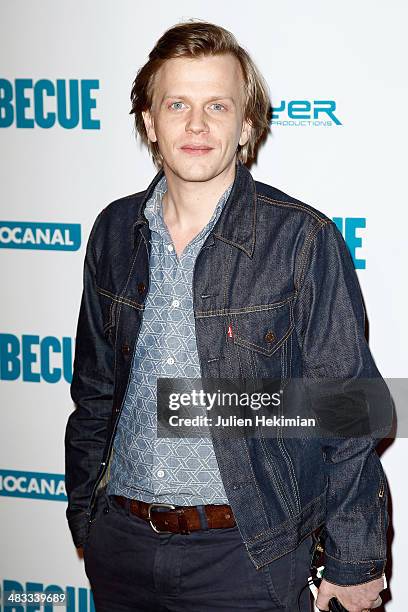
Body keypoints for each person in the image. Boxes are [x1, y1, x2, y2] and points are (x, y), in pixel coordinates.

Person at [65, 20, 390, 612]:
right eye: (177, 104)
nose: (195, 124)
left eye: (217, 105)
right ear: (148, 122)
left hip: (250, 558)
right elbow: (93, 393)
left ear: (245, 126)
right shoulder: (113, 232)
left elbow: (352, 411)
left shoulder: (301, 241)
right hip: (123, 551)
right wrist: (87, 518)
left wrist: (355, 560)